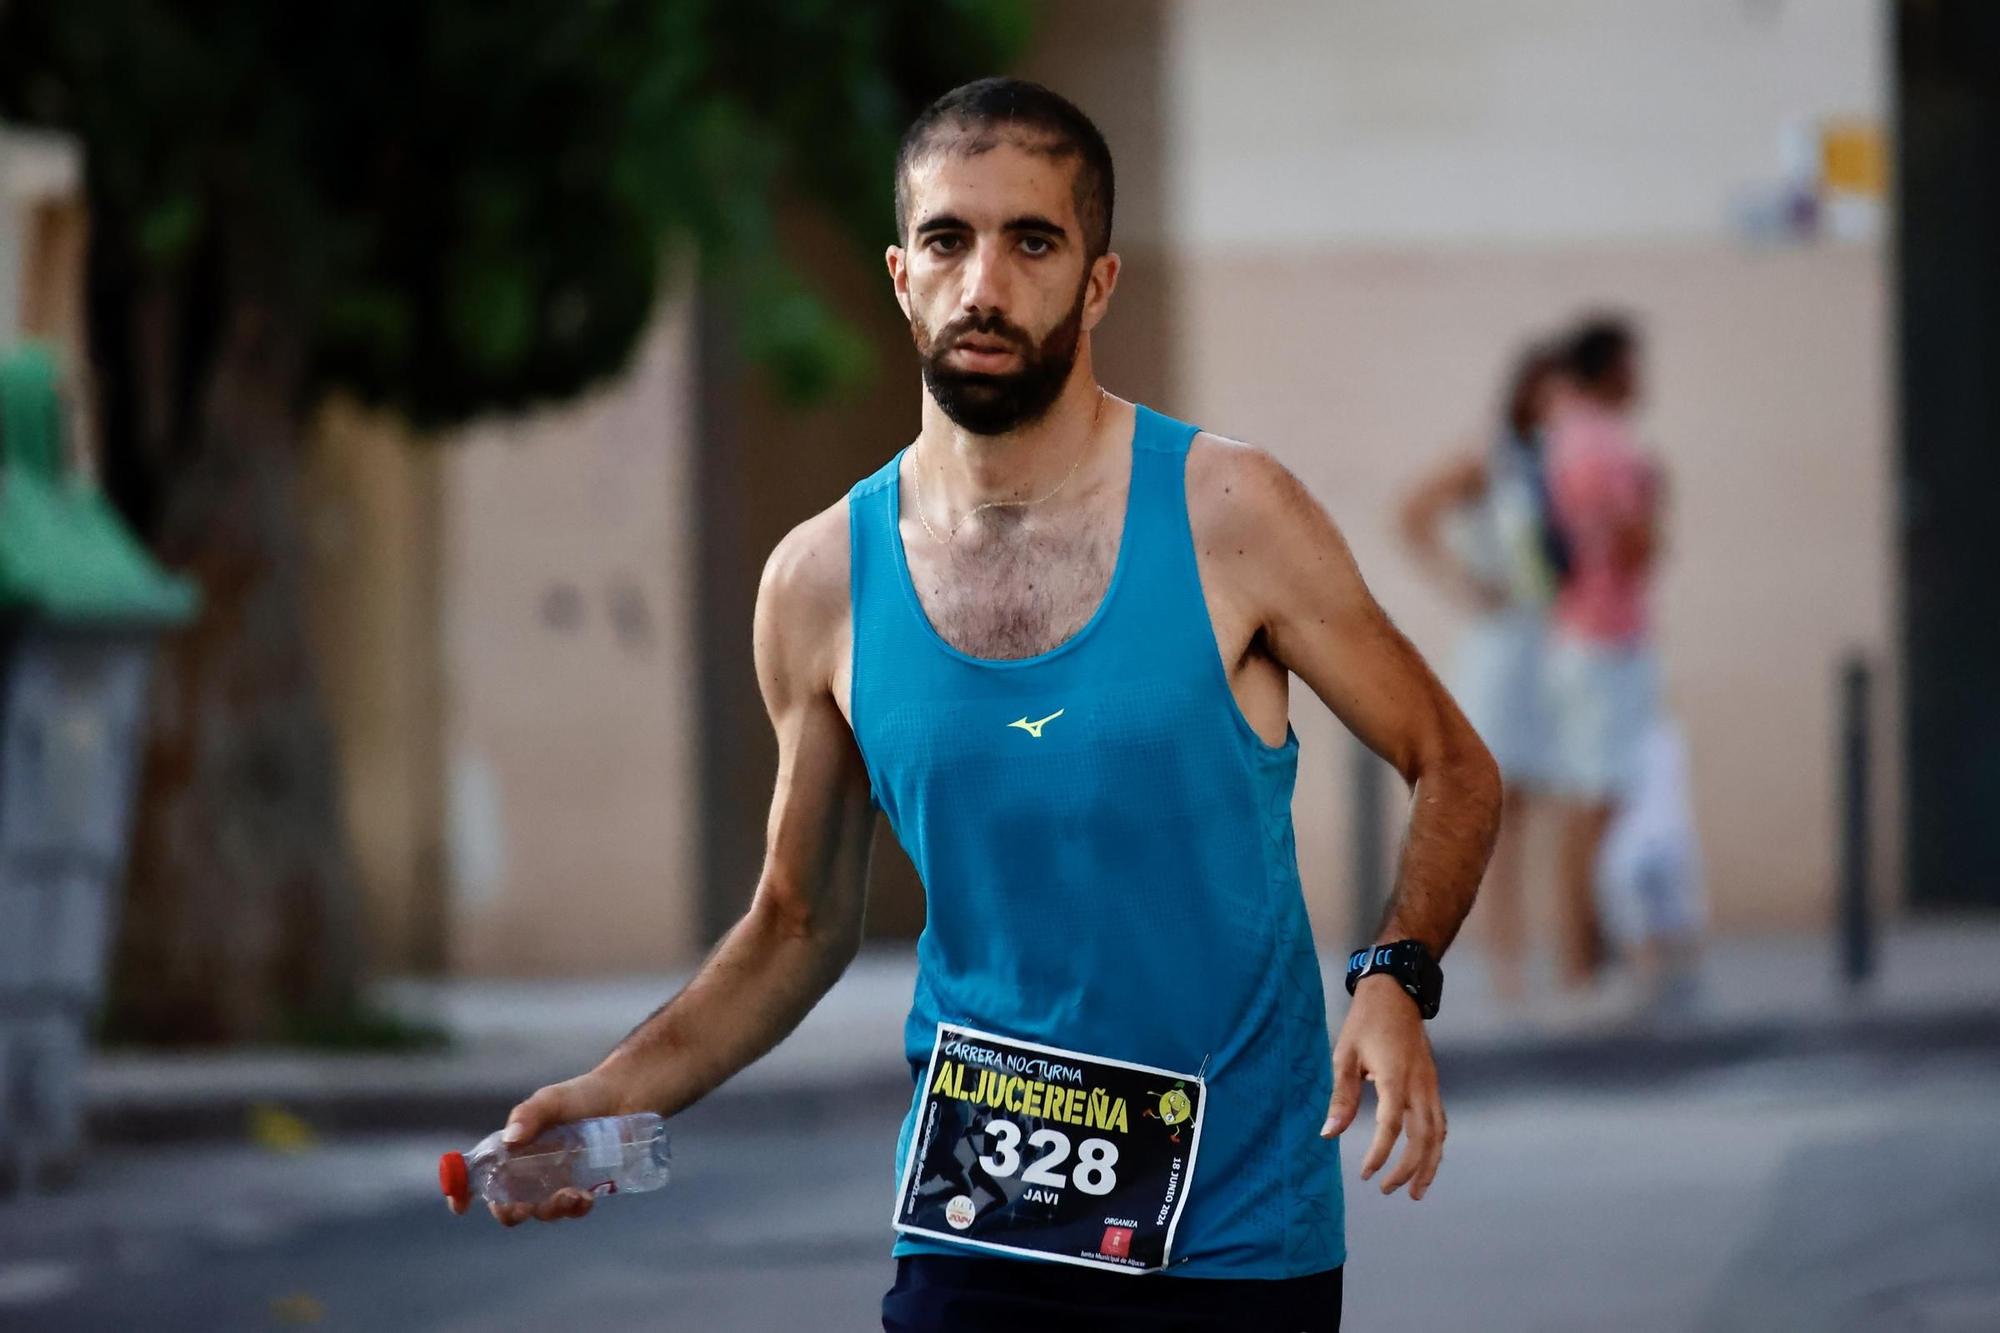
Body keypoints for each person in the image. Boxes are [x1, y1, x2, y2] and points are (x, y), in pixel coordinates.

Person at [450, 78, 1501, 1333]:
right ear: (902, 275)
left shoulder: (1228, 517)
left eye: (1032, 241)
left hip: (1230, 1240)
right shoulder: (820, 582)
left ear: (1097, 282)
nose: (983, 285)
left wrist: (1392, 975)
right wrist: (618, 1092)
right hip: (976, 1227)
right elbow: (795, 925)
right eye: (948, 240)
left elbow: (1449, 761)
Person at [1398, 345, 1566, 1007]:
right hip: (1503, 647)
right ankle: (1506, 967)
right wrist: (1464, 583)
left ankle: (1564, 956)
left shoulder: (1563, 463)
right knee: (1502, 811)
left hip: (1552, 643)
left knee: (1562, 803)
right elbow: (1411, 512)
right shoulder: (1491, 458)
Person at [1541, 316, 1665, 994]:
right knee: (1596, 800)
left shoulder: (1566, 436)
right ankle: (1581, 955)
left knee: (1592, 796)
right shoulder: (1605, 444)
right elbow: (1632, 545)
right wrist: (1655, 503)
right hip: (1604, 635)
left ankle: (1585, 951)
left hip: (1582, 634)